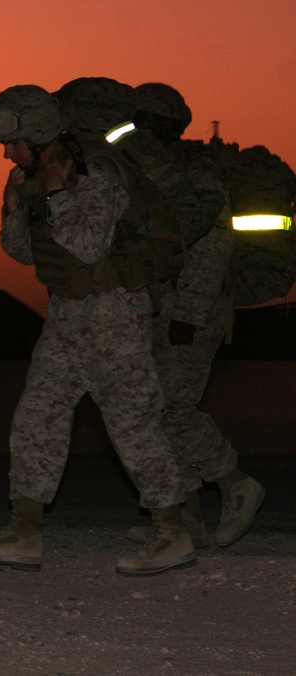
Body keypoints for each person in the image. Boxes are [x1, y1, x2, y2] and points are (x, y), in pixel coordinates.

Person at [0, 84, 192, 575]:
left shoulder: (94, 172)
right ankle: (24, 532)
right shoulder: (36, 175)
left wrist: (60, 193)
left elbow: (87, 247)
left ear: (39, 134)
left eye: (12, 142)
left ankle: (172, 531)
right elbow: (24, 253)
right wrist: (14, 207)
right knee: (36, 418)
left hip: (114, 314)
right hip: (67, 315)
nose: (6, 152)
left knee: (133, 425)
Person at [125, 82, 265, 548]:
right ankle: (187, 516)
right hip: (156, 307)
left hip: (191, 310)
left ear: (169, 124)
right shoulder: (150, 171)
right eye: (135, 118)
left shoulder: (196, 172)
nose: (139, 127)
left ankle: (235, 483)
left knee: (172, 408)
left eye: (147, 119)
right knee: (154, 408)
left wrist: (188, 311)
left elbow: (214, 244)